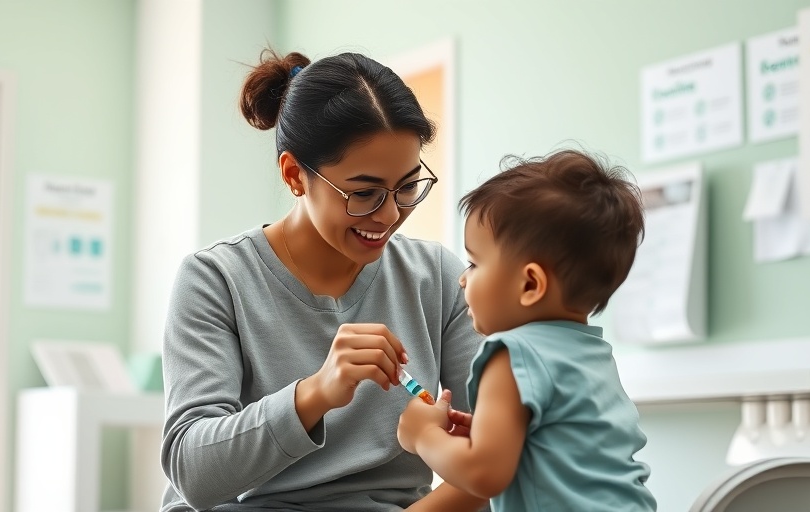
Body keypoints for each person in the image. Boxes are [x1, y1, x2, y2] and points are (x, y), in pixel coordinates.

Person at [159, 48, 487, 511]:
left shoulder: (437, 277)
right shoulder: (215, 280)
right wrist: (315, 394)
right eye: (365, 192)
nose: (391, 214)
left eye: (408, 187)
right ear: (295, 175)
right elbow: (193, 474)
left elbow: (495, 456)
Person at [396, 150, 658, 511]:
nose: (461, 278)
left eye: (474, 263)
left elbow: (484, 475)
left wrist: (423, 436)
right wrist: (493, 434)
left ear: (530, 284)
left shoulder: (509, 354)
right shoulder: (593, 355)